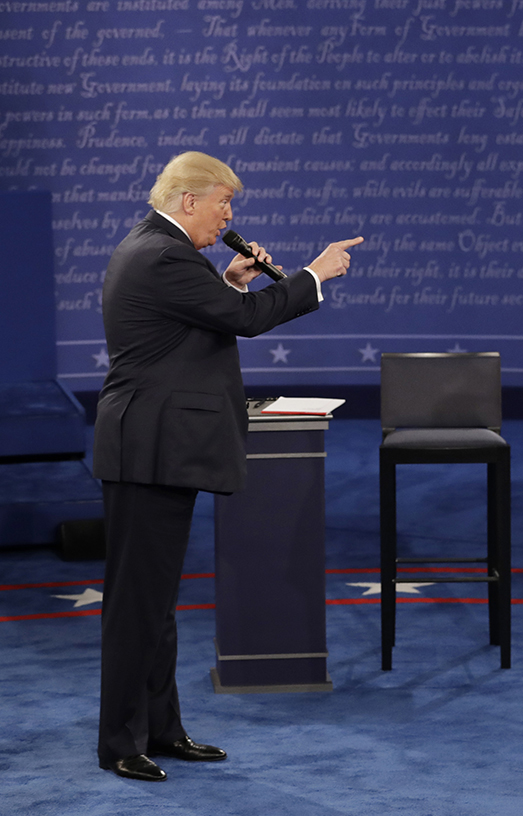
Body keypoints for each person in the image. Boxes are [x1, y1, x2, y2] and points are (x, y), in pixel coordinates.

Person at [93, 152, 363, 782]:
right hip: (148, 450)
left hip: (159, 446)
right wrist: (312, 275)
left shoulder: (159, 249)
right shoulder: (163, 255)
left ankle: (160, 730)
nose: (229, 217)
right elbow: (242, 323)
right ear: (189, 200)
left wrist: (235, 279)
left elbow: (196, 325)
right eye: (223, 204)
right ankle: (120, 743)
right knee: (137, 605)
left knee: (156, 603)